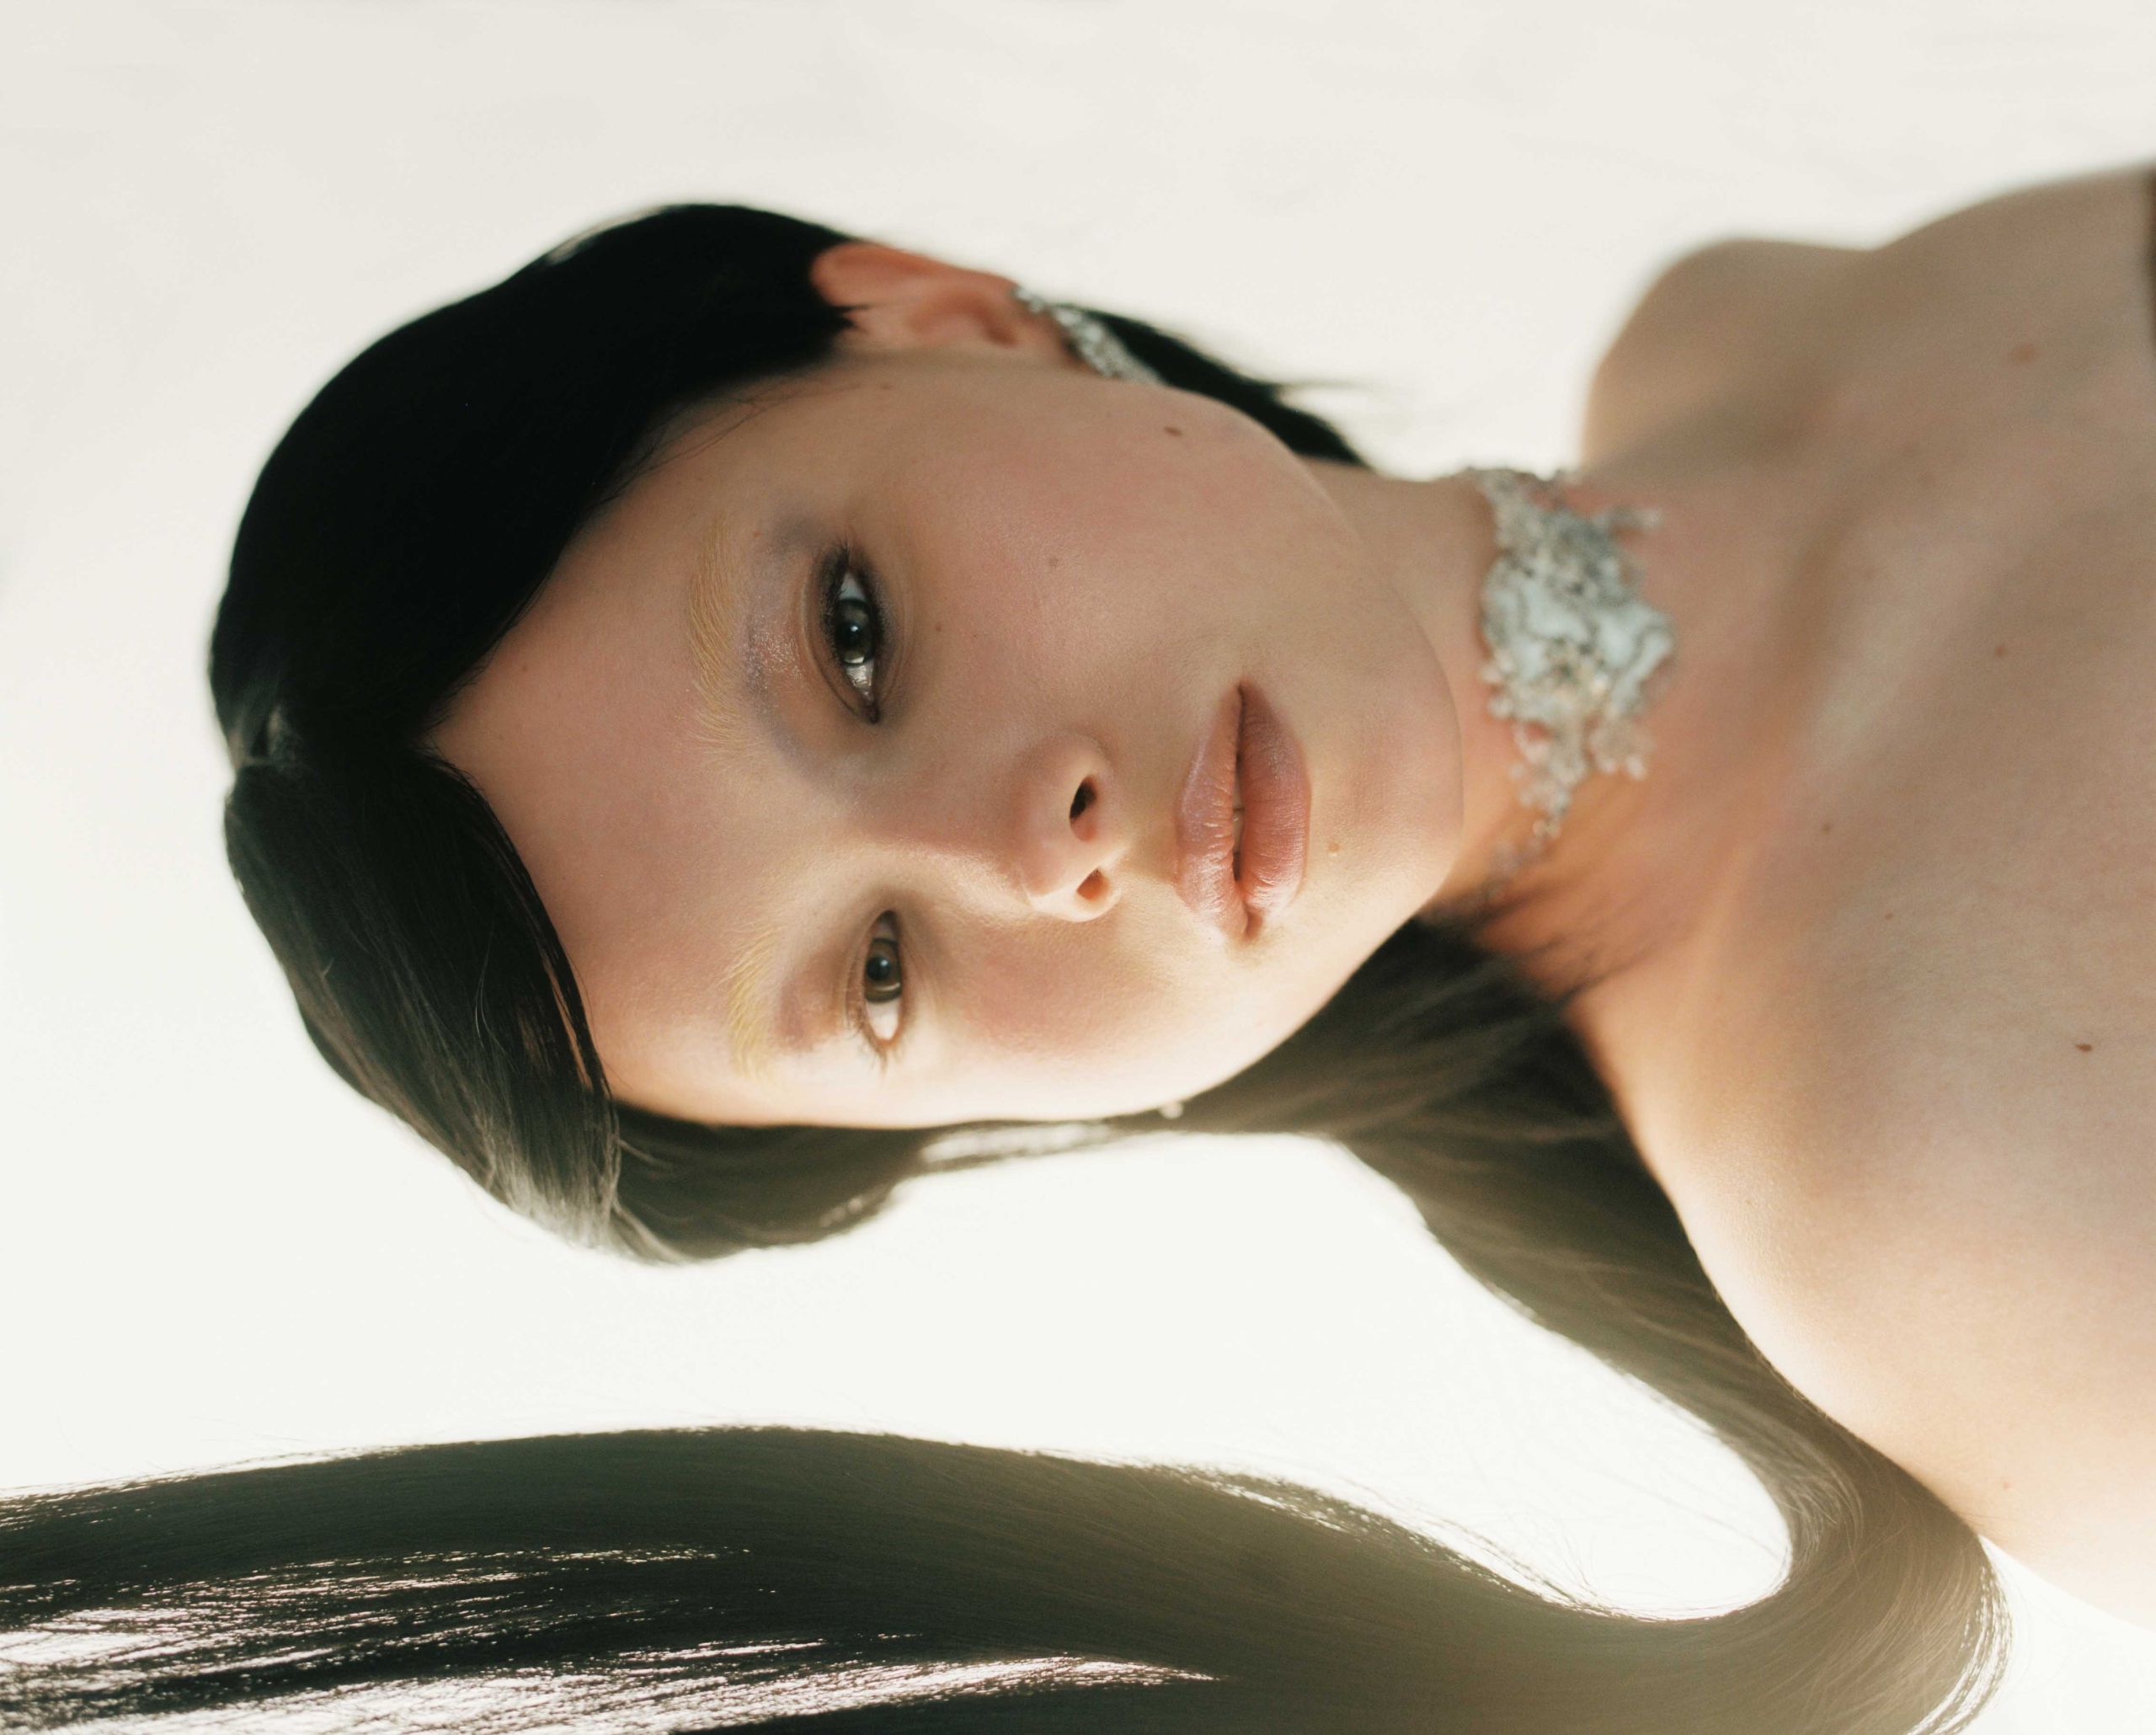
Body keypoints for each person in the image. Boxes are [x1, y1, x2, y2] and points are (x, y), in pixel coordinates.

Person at [13, 158, 2155, 1726]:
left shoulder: (1738, 319)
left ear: (948, 318)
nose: (1024, 851)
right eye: (874, 974)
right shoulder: (1937, 1205)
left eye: (853, 641)